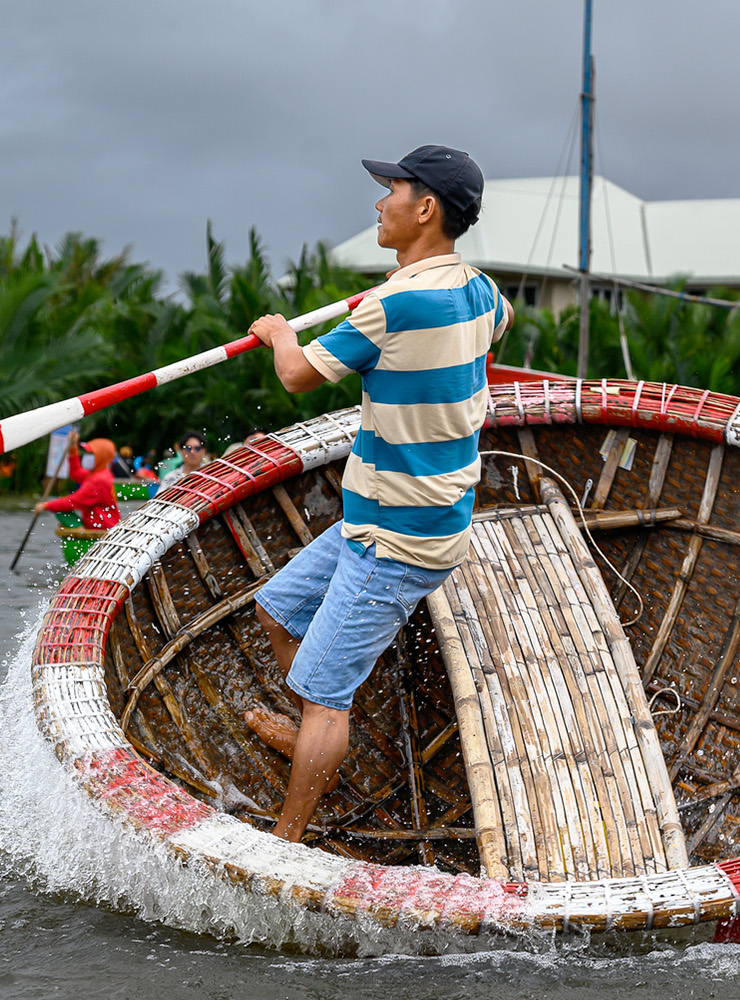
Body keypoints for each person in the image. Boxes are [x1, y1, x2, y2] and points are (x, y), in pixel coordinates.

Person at [242, 144, 511, 843]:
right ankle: (311, 729)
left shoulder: (390, 307)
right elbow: (494, 329)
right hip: (393, 515)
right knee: (274, 610)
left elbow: (298, 375)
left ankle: (288, 838)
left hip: (396, 536)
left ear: (425, 208)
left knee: (326, 697)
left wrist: (277, 332)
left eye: (390, 191)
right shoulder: (482, 292)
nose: (378, 203)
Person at [36, 437, 122, 531]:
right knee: (60, 510)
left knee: (60, 509)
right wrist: (73, 448)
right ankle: (80, 530)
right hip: (99, 524)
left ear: (101, 456)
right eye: (87, 453)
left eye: (91, 453)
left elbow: (74, 501)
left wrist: (46, 506)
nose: (86, 456)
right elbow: (76, 473)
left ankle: (80, 532)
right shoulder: (97, 473)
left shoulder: (99, 480)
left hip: (104, 527)